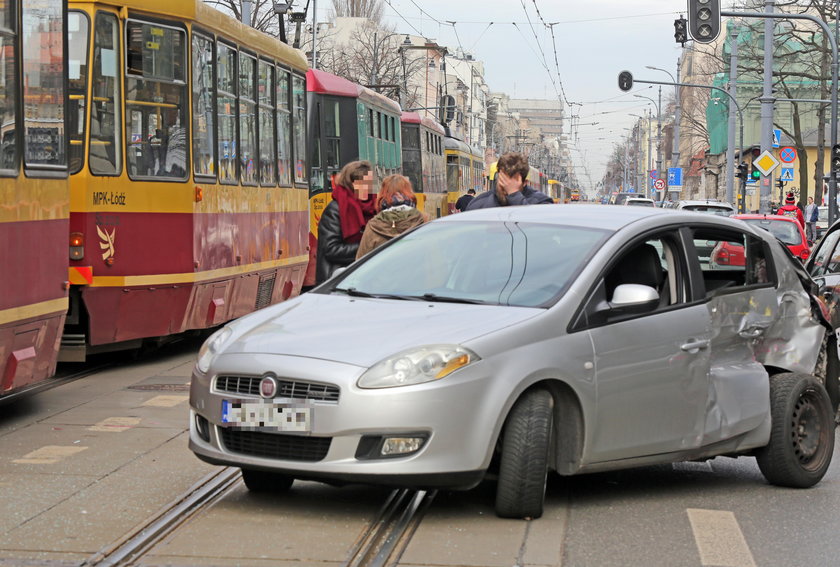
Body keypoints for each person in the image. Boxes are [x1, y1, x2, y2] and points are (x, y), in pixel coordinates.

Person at [315, 160, 377, 284]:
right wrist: (367, 246)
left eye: (370, 183)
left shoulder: (375, 207)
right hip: (340, 279)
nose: (369, 188)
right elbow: (331, 249)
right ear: (352, 184)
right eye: (364, 183)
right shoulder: (335, 209)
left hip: (367, 279)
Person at [356, 174, 426, 259]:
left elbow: (361, 261)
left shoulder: (373, 226)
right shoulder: (424, 222)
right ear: (409, 193)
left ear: (382, 195)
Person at [466, 152, 553, 209]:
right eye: (503, 180)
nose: (506, 186)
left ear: (524, 182)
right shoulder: (480, 204)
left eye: (513, 182)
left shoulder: (541, 203)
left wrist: (514, 195)